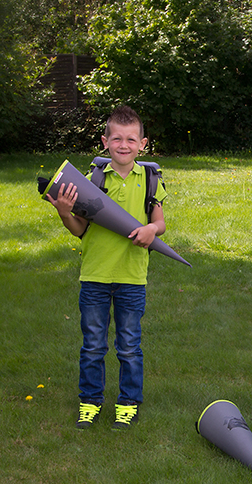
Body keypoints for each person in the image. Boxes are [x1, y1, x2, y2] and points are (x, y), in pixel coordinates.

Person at [45, 105, 167, 429]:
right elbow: (80, 229)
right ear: (105, 142)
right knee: (93, 345)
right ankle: (90, 401)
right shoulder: (93, 180)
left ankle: (128, 402)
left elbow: (160, 222)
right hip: (95, 276)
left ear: (143, 144)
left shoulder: (151, 180)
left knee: (129, 346)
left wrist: (151, 230)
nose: (123, 145)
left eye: (131, 139)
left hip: (132, 278)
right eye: (117, 139)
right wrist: (64, 213)